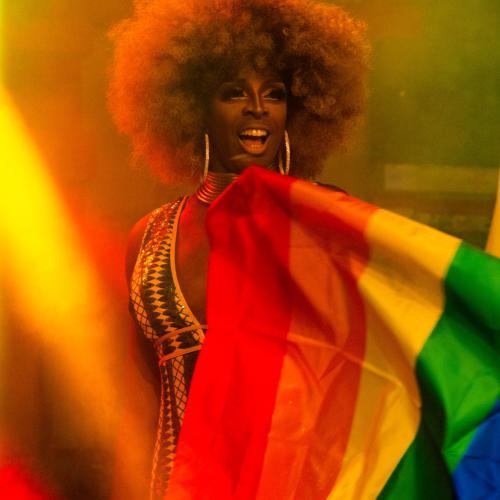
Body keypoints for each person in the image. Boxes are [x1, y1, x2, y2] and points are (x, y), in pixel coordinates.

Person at [108, 0, 369, 497]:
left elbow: (365, 378)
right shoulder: (150, 237)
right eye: (234, 93)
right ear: (191, 107)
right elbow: (139, 403)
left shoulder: (327, 221)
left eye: (275, 94)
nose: (257, 107)